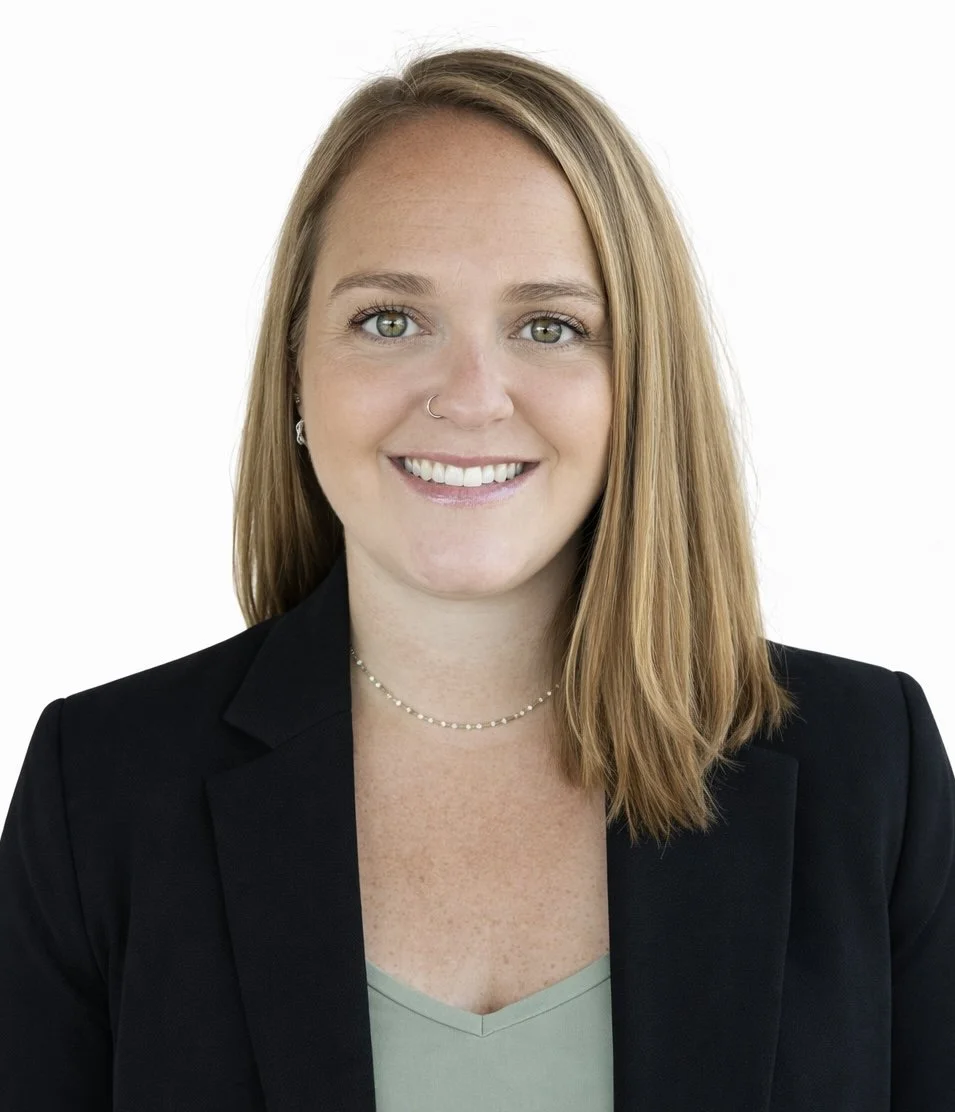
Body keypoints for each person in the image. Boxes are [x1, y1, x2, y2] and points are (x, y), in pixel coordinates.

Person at [1, 45, 952, 1112]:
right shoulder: (104, 791)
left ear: (636, 386)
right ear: (295, 376)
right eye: (388, 319)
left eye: (548, 325)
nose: (469, 396)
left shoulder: (872, 773)